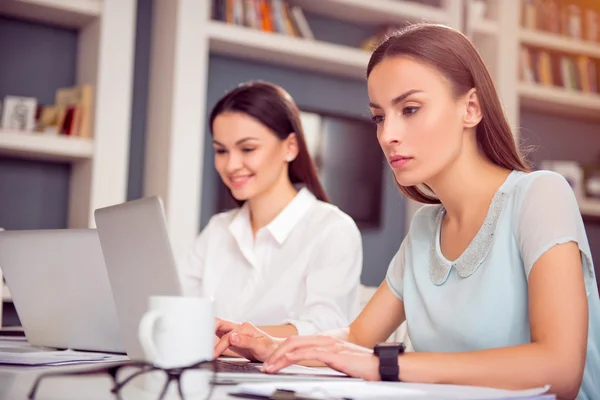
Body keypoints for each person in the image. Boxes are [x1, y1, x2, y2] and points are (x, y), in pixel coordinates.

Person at [212, 24, 600, 400]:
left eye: (410, 109)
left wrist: (386, 365)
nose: (387, 134)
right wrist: (272, 345)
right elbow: (356, 337)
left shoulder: (540, 196)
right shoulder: (425, 229)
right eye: (380, 116)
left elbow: (559, 370)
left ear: (471, 108)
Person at [177, 81, 363, 339]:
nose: (231, 165)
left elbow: (326, 327)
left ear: (290, 147)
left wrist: (234, 338)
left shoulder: (332, 229)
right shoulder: (218, 230)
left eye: (248, 149)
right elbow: (177, 307)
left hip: (293, 378)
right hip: (214, 372)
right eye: (221, 151)